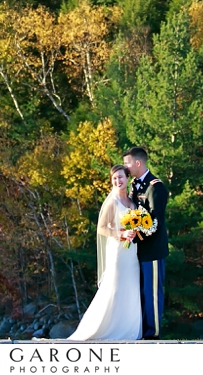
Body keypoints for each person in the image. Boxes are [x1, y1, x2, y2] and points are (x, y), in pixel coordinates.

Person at [67, 164, 142, 341]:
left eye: (121, 177)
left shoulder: (132, 202)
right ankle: (103, 328)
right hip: (117, 251)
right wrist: (120, 234)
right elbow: (101, 228)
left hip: (132, 252)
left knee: (130, 288)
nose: (118, 181)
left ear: (127, 178)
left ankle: (128, 329)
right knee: (114, 288)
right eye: (114, 178)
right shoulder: (112, 201)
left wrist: (134, 231)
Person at [122, 146, 168, 340]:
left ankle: (153, 334)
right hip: (138, 251)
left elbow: (155, 221)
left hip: (153, 251)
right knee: (140, 293)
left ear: (138, 163)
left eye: (127, 163)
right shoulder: (135, 185)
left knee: (152, 294)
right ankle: (142, 331)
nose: (125, 167)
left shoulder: (156, 187)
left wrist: (137, 232)